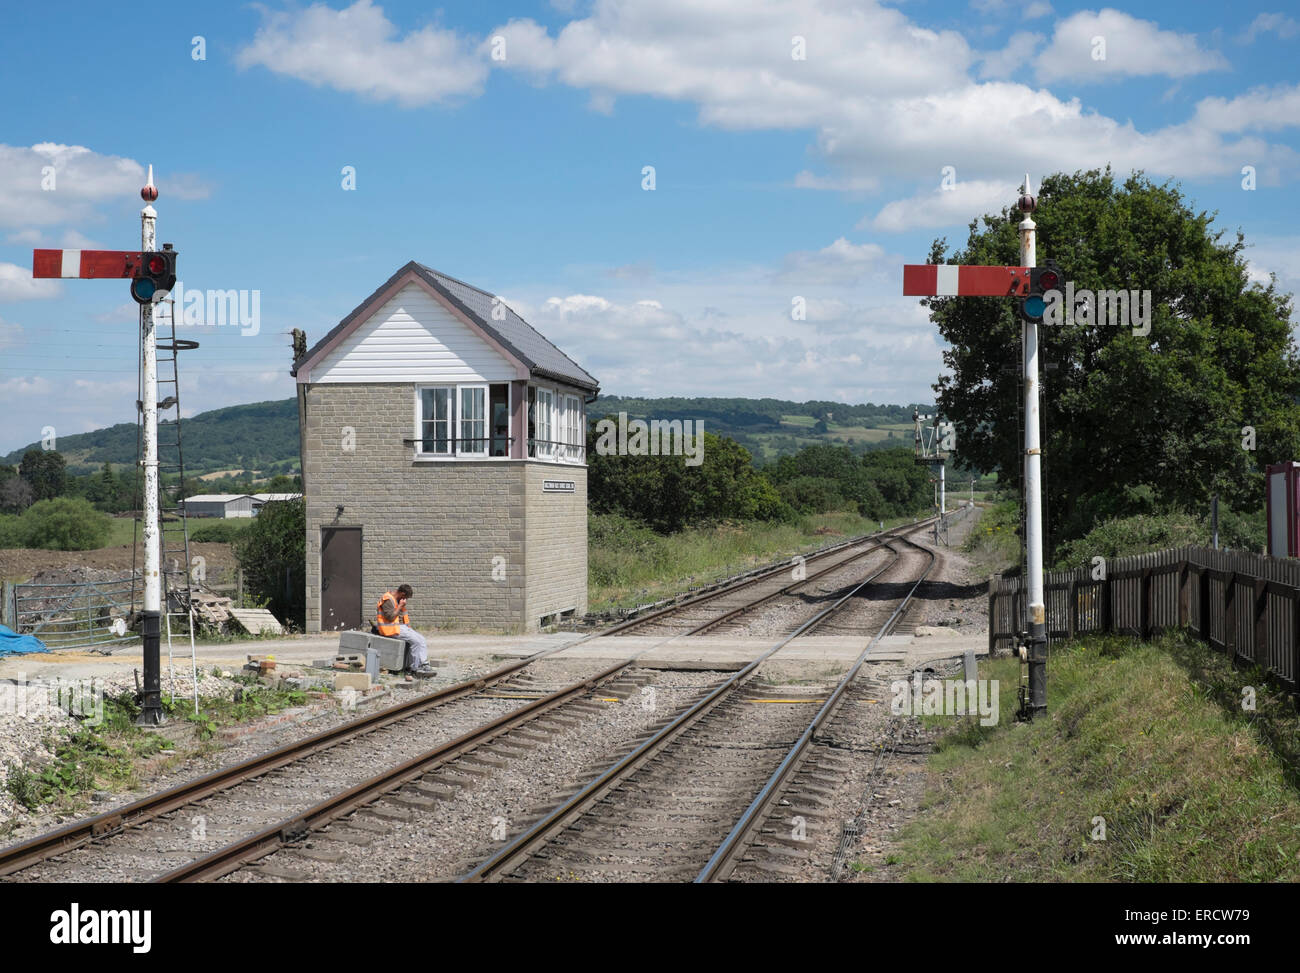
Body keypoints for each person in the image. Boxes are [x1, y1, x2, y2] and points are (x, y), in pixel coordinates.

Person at [376, 583, 432, 676]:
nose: (406, 600)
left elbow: (402, 617)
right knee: (416, 641)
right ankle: (416, 668)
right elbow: (390, 617)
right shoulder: (387, 599)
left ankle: (423, 664)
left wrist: (409, 628)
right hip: (390, 629)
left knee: (421, 639)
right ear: (402, 594)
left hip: (400, 627)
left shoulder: (396, 599)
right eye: (406, 597)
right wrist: (400, 606)